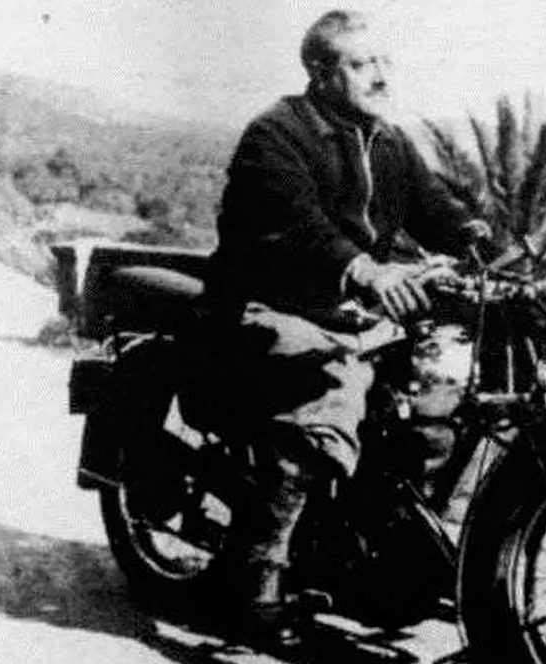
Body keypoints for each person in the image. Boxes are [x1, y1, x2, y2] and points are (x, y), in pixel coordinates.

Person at [204, 9, 487, 634]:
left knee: (433, 396)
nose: (381, 76)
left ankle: (387, 548)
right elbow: (295, 223)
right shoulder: (276, 134)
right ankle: (256, 577)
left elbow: (435, 208)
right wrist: (364, 270)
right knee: (327, 400)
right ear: (321, 72)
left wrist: (486, 244)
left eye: (385, 62)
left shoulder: (387, 141)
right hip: (271, 303)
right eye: (362, 64)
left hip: (350, 309)